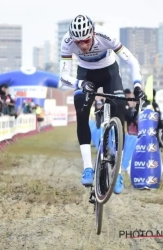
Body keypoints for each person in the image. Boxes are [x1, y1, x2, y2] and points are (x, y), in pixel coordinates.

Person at [59, 15, 146, 194]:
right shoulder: (67, 41)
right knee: (80, 105)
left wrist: (137, 85)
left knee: (119, 109)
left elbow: (131, 61)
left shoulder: (105, 35)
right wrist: (79, 84)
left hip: (109, 72)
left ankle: (118, 172)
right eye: (78, 42)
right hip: (85, 74)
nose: (82, 45)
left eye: (86, 40)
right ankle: (88, 168)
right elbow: (63, 76)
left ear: (93, 33)